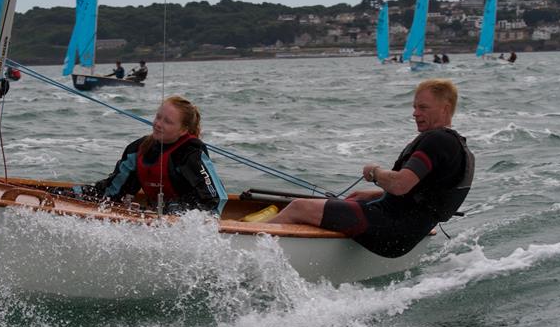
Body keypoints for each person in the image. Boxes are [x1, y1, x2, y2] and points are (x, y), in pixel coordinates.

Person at [268, 79, 475, 258]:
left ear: (445, 109)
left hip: (391, 228)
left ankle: (253, 249)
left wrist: (375, 172)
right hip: (407, 234)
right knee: (354, 198)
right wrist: (372, 195)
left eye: (423, 107)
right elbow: (421, 193)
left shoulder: (437, 140)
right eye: (414, 107)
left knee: (299, 207)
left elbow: (401, 184)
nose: (415, 113)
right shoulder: (456, 146)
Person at [82, 95, 227, 214]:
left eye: (167, 122)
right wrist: (79, 194)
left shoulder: (190, 153)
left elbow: (215, 201)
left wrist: (175, 212)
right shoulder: (138, 149)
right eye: (158, 117)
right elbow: (112, 192)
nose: (158, 124)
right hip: (154, 217)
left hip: (184, 221)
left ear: (183, 130)